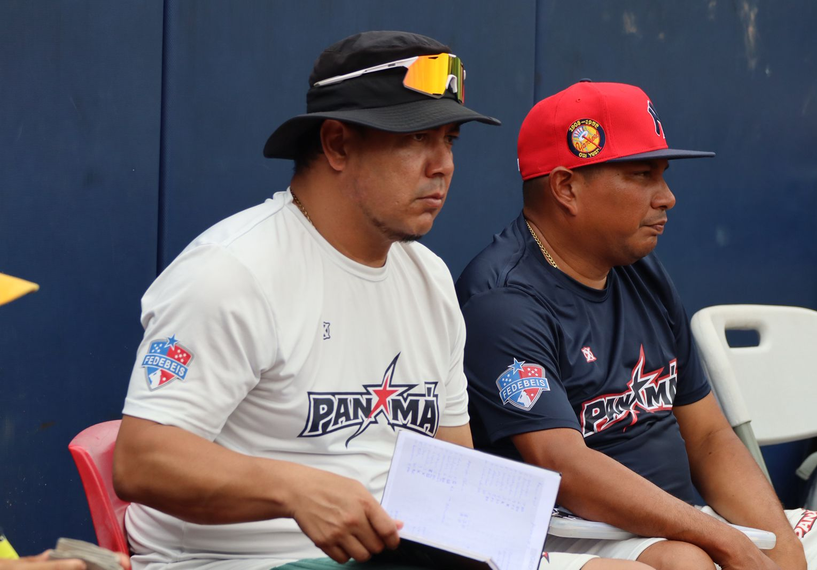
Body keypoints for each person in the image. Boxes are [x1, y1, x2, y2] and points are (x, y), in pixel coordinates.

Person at [112, 32, 648, 570]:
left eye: (451, 139)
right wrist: (295, 489)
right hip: (252, 560)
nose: (443, 165)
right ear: (338, 144)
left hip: (405, 552)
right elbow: (142, 461)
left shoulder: (429, 278)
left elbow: (454, 471)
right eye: (416, 138)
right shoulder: (232, 271)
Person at [456, 80, 817, 570]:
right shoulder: (504, 298)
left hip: (681, 521)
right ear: (566, 188)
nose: (666, 197)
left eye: (662, 175)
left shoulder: (639, 269)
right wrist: (726, 542)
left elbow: (708, 437)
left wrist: (782, 551)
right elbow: (564, 466)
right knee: (688, 564)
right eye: (642, 174)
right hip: (570, 532)